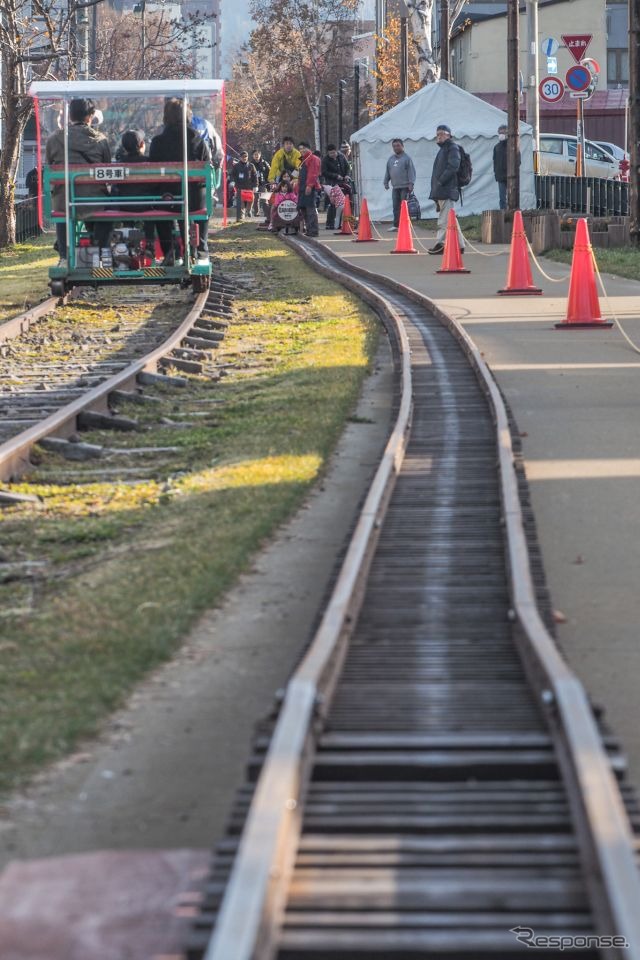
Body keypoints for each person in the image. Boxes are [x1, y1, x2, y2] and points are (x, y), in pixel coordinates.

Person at [45, 97, 112, 268]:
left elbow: (49, 169)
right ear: (90, 116)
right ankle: (99, 250)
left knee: (64, 209)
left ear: (70, 116)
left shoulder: (54, 139)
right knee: (106, 205)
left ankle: (64, 257)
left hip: (65, 201)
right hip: (95, 200)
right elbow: (108, 172)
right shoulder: (101, 140)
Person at [148, 98, 211, 265]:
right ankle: (200, 251)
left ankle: (171, 251)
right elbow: (207, 166)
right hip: (194, 199)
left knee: (160, 208)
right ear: (188, 116)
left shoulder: (157, 142)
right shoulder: (197, 140)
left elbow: (151, 173)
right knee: (200, 203)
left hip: (167, 199)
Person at [427, 123, 465, 255]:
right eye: (437, 134)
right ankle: (460, 245)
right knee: (450, 218)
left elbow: (454, 166)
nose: (439, 136)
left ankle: (441, 244)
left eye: (442, 133)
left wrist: (441, 181)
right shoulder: (444, 149)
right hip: (442, 190)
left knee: (444, 220)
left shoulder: (452, 148)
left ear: (449, 135)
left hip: (447, 189)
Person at [383, 138, 416, 232]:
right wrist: (386, 182)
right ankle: (396, 225)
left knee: (404, 207)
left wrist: (411, 183)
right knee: (395, 206)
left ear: (402, 146)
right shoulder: (391, 159)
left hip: (405, 187)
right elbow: (388, 172)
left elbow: (411, 172)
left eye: (398, 146)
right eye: (394, 146)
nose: (396, 148)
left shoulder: (407, 158)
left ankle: (405, 225)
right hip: (395, 187)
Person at [321, 143, 350, 230]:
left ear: (336, 151)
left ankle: (341, 223)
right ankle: (330, 223)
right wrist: (335, 176)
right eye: (331, 153)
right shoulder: (325, 160)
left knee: (343, 203)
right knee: (333, 204)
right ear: (328, 153)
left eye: (334, 153)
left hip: (342, 183)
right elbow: (324, 172)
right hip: (332, 184)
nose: (333, 155)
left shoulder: (341, 156)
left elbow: (347, 167)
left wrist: (347, 175)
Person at [493, 123, 519, 211]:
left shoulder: (512, 146)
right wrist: (496, 174)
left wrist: (513, 172)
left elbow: (518, 161)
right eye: (499, 133)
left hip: (511, 176)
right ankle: (503, 215)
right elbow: (495, 162)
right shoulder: (496, 147)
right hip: (500, 177)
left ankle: (512, 212)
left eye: (503, 133)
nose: (501, 135)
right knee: (502, 199)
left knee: (512, 198)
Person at [297, 141, 320, 237]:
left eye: (303, 148)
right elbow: (297, 172)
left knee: (310, 209)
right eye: (300, 149)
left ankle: (313, 230)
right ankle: (309, 229)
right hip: (302, 187)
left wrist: (309, 185)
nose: (301, 150)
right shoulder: (302, 160)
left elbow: (313, 173)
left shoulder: (313, 159)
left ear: (308, 148)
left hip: (309, 187)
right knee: (304, 209)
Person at [232, 150, 258, 220]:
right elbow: (233, 175)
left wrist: (256, 185)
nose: (244, 158)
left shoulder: (251, 165)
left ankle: (249, 210)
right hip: (239, 187)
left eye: (246, 156)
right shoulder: (236, 166)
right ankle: (242, 216)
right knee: (241, 202)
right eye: (243, 157)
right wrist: (233, 182)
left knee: (251, 199)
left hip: (249, 186)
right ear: (240, 158)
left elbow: (255, 176)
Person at [252, 149, 270, 216]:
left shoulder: (264, 162)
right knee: (255, 199)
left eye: (257, 154)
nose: (256, 156)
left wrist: (269, 181)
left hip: (263, 183)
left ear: (260, 155)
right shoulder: (251, 164)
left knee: (265, 199)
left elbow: (270, 171)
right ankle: (256, 213)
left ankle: (267, 214)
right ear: (253, 156)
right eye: (255, 154)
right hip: (254, 184)